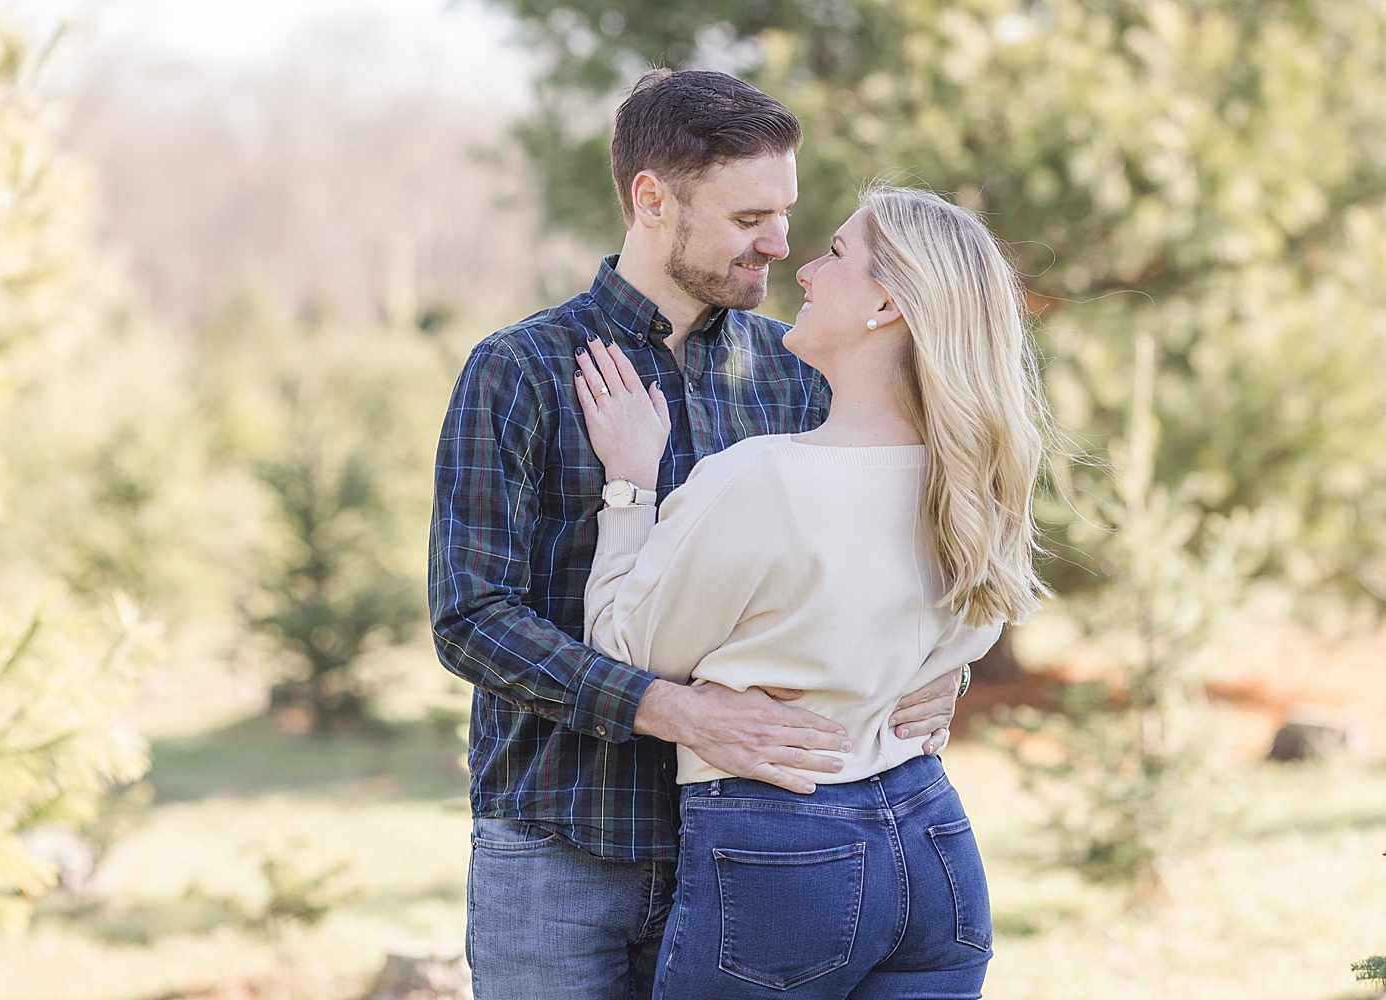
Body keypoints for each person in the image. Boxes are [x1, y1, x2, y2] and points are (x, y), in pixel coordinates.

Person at [429, 70, 964, 1000]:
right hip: (561, 850)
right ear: (651, 199)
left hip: (765, 850)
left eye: (788, 213)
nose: (782, 243)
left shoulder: (799, 374)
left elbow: (879, 555)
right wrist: (671, 709)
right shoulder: (520, 370)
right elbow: (471, 616)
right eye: (750, 216)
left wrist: (934, 664)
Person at [578, 184, 1047, 998]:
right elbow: (950, 643)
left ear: (886, 307)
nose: (803, 268)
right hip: (933, 843)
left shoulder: (765, 479)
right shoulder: (977, 480)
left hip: (784, 849)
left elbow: (625, 650)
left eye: (834, 253)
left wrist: (629, 485)